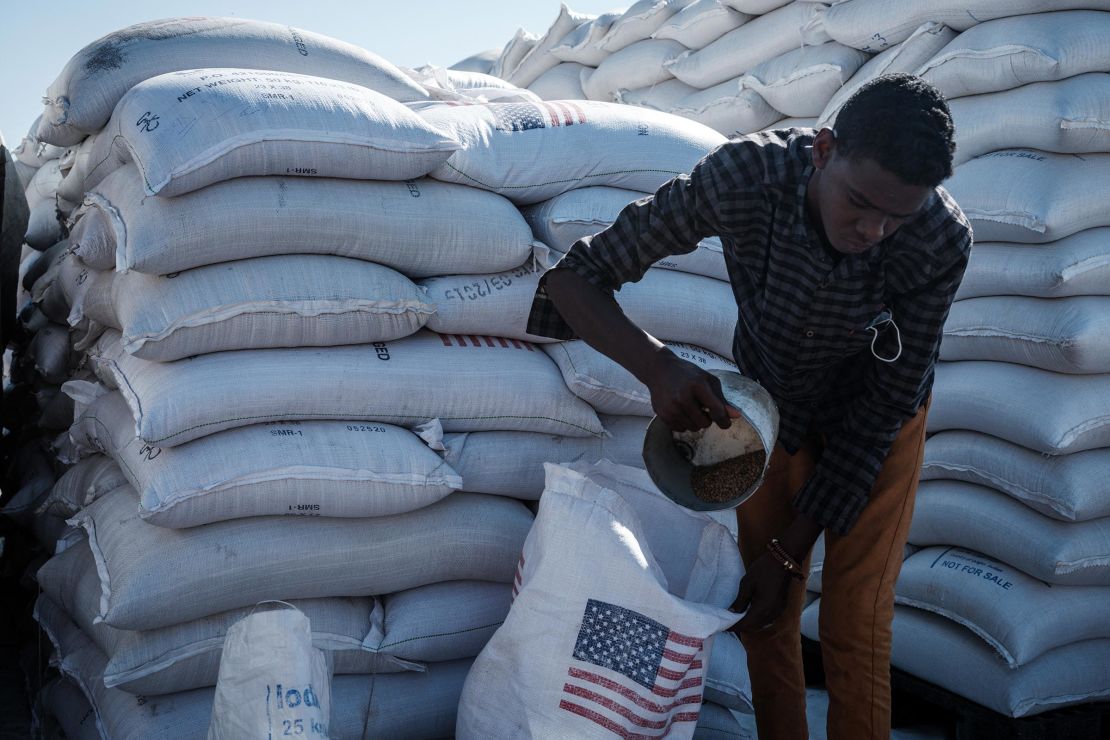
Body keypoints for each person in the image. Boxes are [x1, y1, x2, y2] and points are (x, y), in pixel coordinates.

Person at [526, 73, 972, 740]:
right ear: (823, 149)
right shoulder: (744, 176)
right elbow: (574, 278)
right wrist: (655, 366)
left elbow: (883, 410)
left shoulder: (939, 239)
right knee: (768, 614)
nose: (874, 230)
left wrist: (792, 549)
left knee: (855, 622)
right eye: (859, 204)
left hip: (880, 424)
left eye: (895, 217)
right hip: (771, 410)